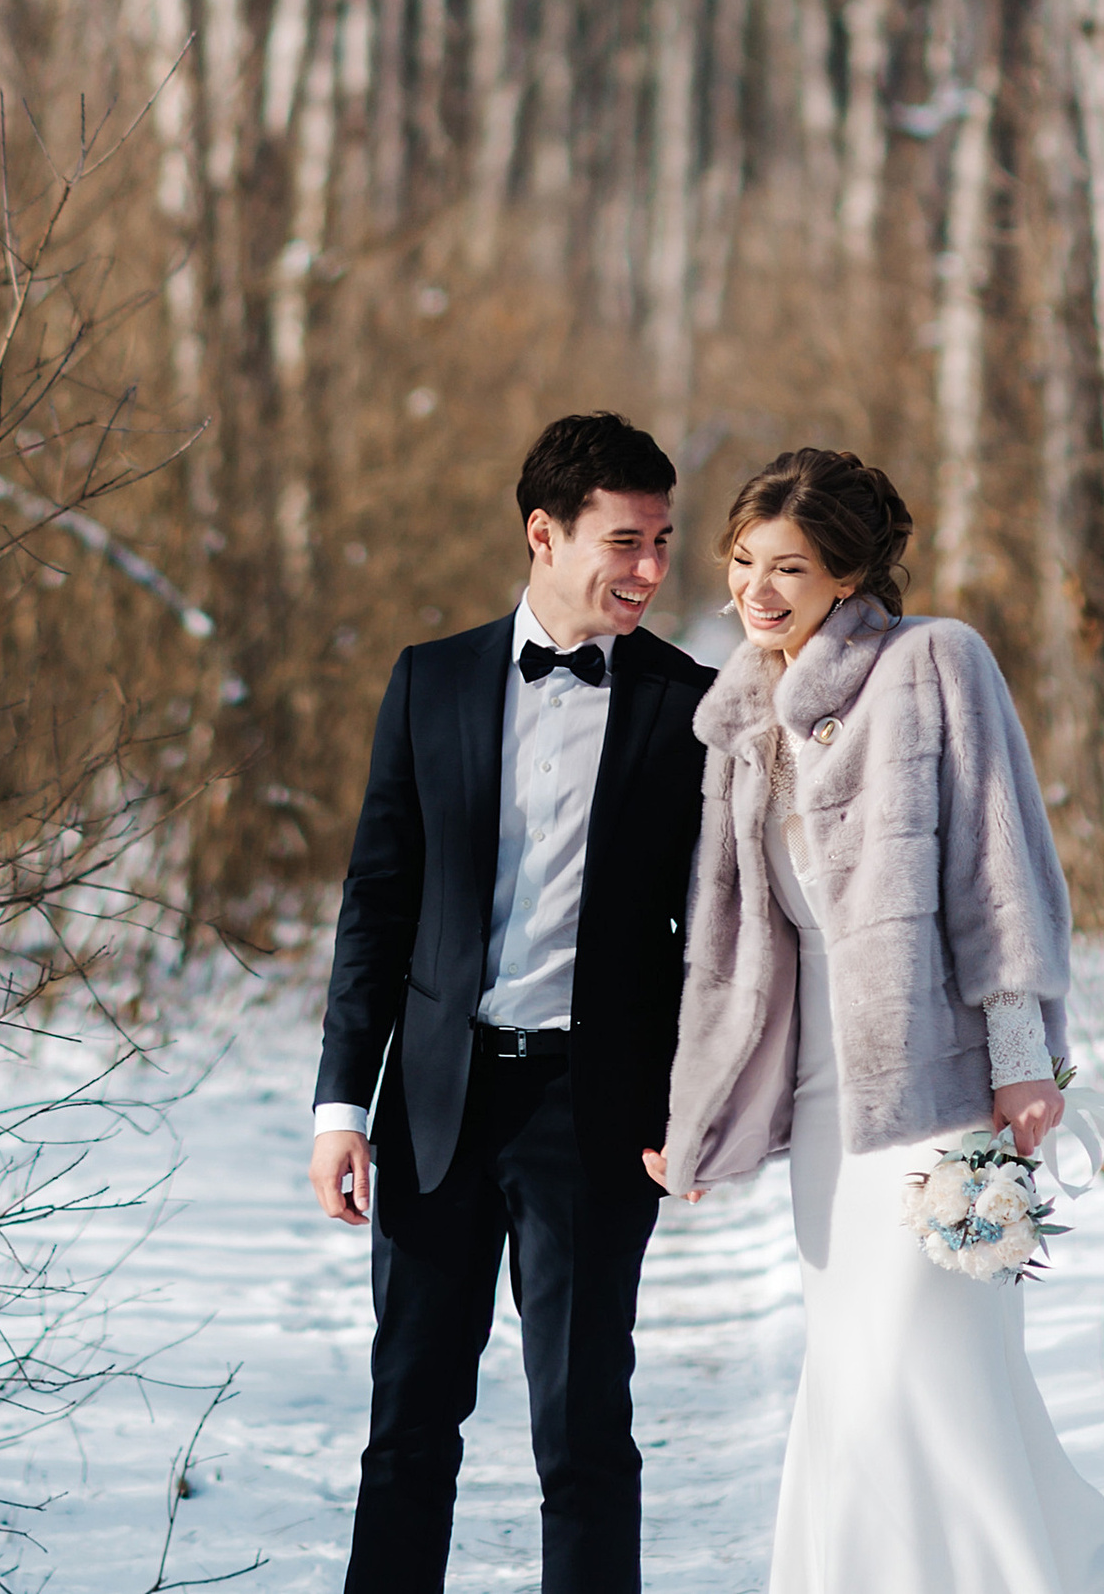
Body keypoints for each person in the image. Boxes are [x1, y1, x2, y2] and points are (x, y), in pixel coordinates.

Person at [652, 448, 1104, 1594]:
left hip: (936, 1090)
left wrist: (1022, 1058)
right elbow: (733, 949)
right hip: (825, 1110)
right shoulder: (739, 713)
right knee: (850, 1376)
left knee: (911, 1373)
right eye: (743, 562)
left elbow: (1001, 871)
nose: (759, 588)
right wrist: (699, 1113)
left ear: (847, 572)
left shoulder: (933, 662)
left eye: (790, 566)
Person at [309, 411, 719, 1594]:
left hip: (593, 1115)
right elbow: (376, 903)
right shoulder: (429, 680)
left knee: (585, 1437)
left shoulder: (687, 702)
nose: (649, 569)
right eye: (624, 541)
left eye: (661, 541)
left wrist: (697, 1095)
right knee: (408, 1435)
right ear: (544, 533)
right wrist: (342, 1103)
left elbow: (719, 932)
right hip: (435, 1103)